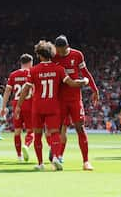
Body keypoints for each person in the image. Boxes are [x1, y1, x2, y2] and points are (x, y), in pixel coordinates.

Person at [15, 40, 89, 171]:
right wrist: (84, 81)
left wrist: (18, 106)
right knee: (55, 133)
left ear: (39, 55)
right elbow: (71, 83)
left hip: (38, 107)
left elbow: (25, 89)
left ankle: (40, 163)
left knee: (37, 134)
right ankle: (55, 157)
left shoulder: (33, 71)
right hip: (53, 107)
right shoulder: (59, 69)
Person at [52, 35, 98, 170]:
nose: (59, 53)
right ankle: (58, 157)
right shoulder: (53, 57)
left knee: (80, 127)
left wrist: (94, 89)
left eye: (61, 50)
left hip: (74, 99)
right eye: (57, 50)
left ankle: (86, 161)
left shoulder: (77, 55)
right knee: (60, 129)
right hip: (59, 99)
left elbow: (85, 72)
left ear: (67, 46)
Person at [0, 54, 34, 162]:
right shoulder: (32, 73)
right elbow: (34, 91)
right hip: (29, 104)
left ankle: (19, 156)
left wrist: (3, 107)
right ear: (30, 63)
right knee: (30, 131)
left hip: (16, 105)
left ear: (21, 62)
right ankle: (26, 145)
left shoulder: (13, 75)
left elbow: (7, 91)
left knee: (17, 131)